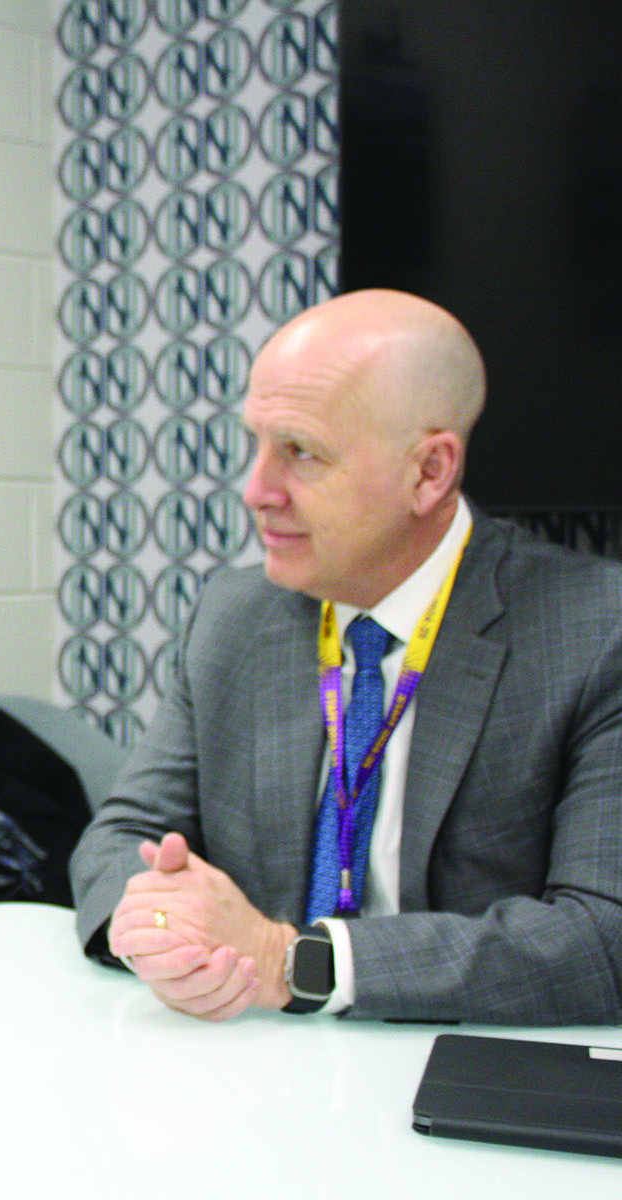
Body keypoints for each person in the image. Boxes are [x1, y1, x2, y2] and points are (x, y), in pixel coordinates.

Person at [70, 288, 622, 1025]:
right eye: (256, 443)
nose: (256, 491)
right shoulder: (235, 616)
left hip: (459, 1072)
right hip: (262, 1065)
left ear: (430, 471)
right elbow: (122, 837)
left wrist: (294, 960)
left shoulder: (595, 631)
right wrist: (157, 935)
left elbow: (602, 940)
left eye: (301, 452)